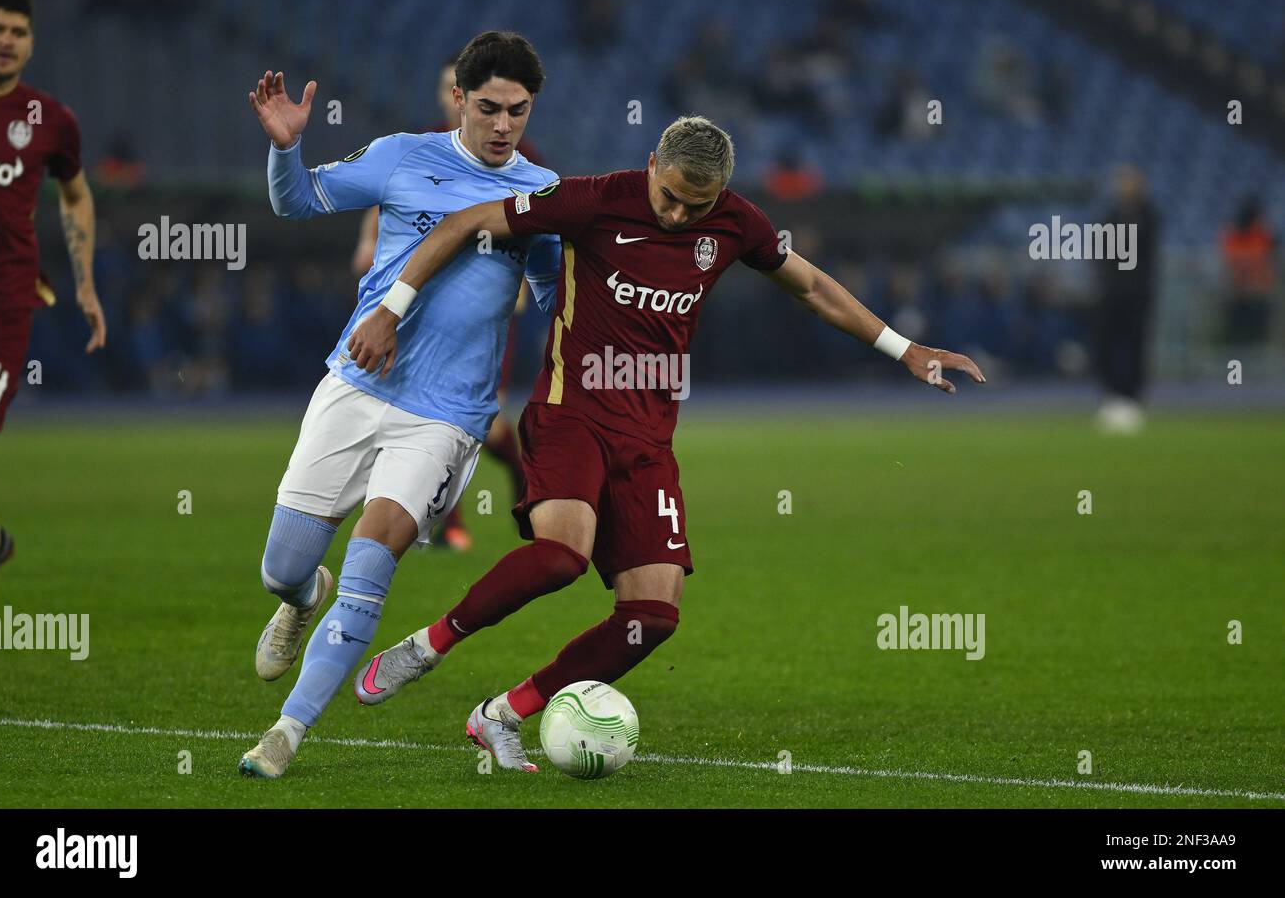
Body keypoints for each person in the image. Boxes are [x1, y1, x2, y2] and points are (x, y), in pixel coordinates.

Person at [346, 116, 984, 770]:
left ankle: (503, 713)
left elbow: (813, 287)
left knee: (651, 617)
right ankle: (427, 646)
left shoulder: (738, 223)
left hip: (648, 440)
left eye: (696, 204)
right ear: (652, 163)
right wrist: (390, 308)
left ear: (721, 195)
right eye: (669, 195)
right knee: (562, 556)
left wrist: (903, 349)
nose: (679, 214)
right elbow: (461, 224)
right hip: (572, 414)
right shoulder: (592, 199)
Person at [238, 31, 561, 778]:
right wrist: (286, 147)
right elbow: (295, 200)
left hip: (445, 416)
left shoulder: (540, 193)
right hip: (355, 384)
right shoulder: (403, 156)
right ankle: (298, 597)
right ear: (459, 100)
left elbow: (551, 296)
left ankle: (285, 734)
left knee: (370, 561)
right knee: (282, 567)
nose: (503, 125)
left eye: (517, 110)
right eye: (489, 108)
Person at [349, 54, 542, 550]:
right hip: (421, 304)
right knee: (436, 411)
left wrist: (520, 283)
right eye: (443, 87)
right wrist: (368, 241)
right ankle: (451, 518)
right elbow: (387, 193)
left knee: (478, 417)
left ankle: (512, 487)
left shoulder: (518, 154)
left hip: (481, 309)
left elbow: (533, 219)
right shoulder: (424, 146)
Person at [0, 0, 106, 582]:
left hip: (4, 301)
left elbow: (76, 197)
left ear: (31, 44)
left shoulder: (50, 121)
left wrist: (83, 284)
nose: (5, 41)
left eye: (17, 32)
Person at [1094, 164, 1160, 434]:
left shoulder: (1148, 216)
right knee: (1108, 344)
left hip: (1137, 293)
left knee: (1136, 345)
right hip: (1112, 293)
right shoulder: (1109, 217)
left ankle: (1133, 398)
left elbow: (1145, 250)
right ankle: (1112, 395)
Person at [1220, 196, 1275, 345]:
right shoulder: (1243, 235)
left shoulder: (1261, 235)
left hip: (1253, 295)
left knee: (1251, 342)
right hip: (1243, 295)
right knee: (1243, 342)